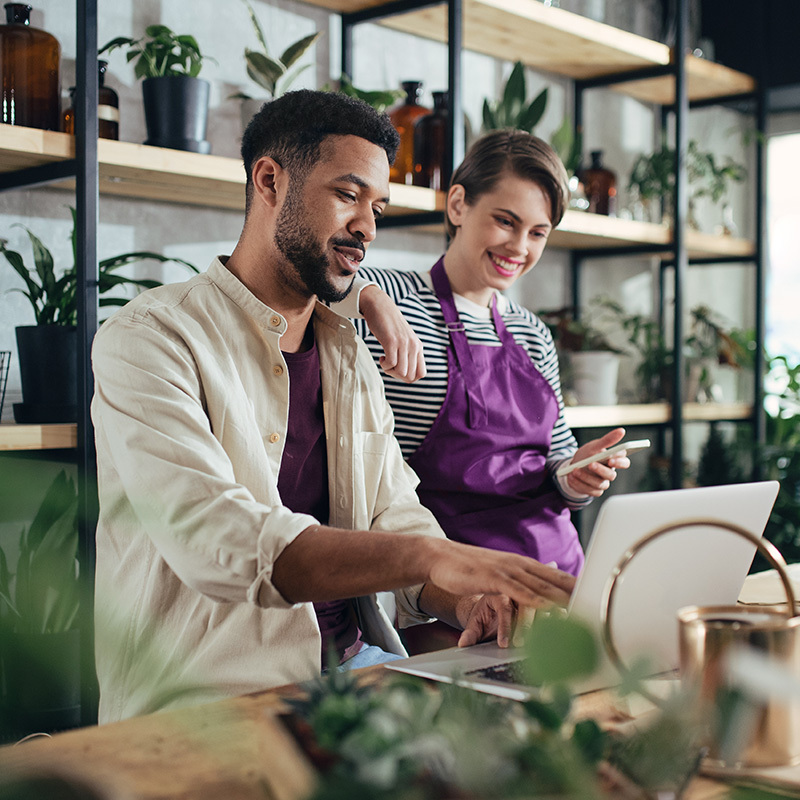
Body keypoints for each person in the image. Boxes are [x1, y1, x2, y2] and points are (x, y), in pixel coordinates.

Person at [90, 91, 576, 724]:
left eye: (377, 207)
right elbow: (216, 539)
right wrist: (437, 557)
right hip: (209, 708)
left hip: (356, 676)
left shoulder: (347, 350)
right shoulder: (151, 338)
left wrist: (466, 598)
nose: (368, 228)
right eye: (348, 196)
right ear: (270, 180)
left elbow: (394, 512)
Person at [343, 130, 631, 647]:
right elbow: (313, 283)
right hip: (457, 599)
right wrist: (367, 297)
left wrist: (577, 475)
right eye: (506, 221)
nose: (519, 248)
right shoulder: (393, 297)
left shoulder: (532, 332)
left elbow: (555, 469)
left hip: (557, 578)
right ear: (458, 204)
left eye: (538, 233)